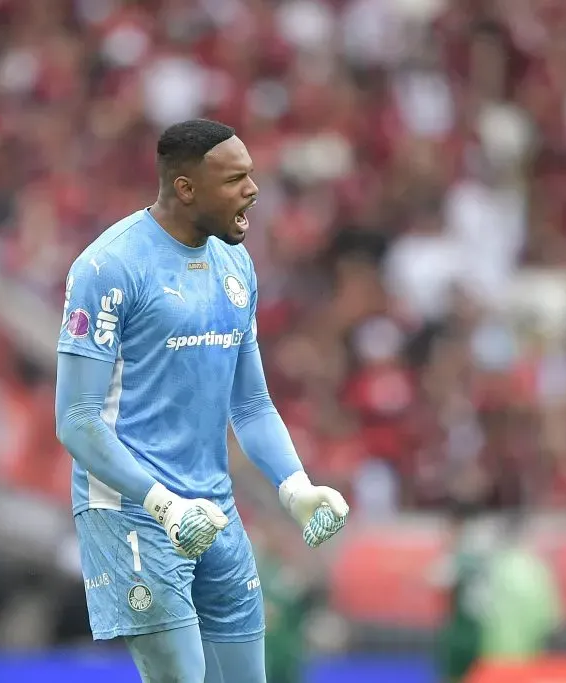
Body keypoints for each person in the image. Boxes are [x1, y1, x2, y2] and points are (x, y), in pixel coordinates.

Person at [55, 118, 349, 683]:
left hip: (213, 510)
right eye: (235, 179)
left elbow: (253, 405)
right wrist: (163, 503)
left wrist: (296, 486)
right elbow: (76, 419)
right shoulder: (107, 267)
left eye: (251, 176)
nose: (253, 190)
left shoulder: (235, 264)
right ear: (186, 188)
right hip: (131, 513)